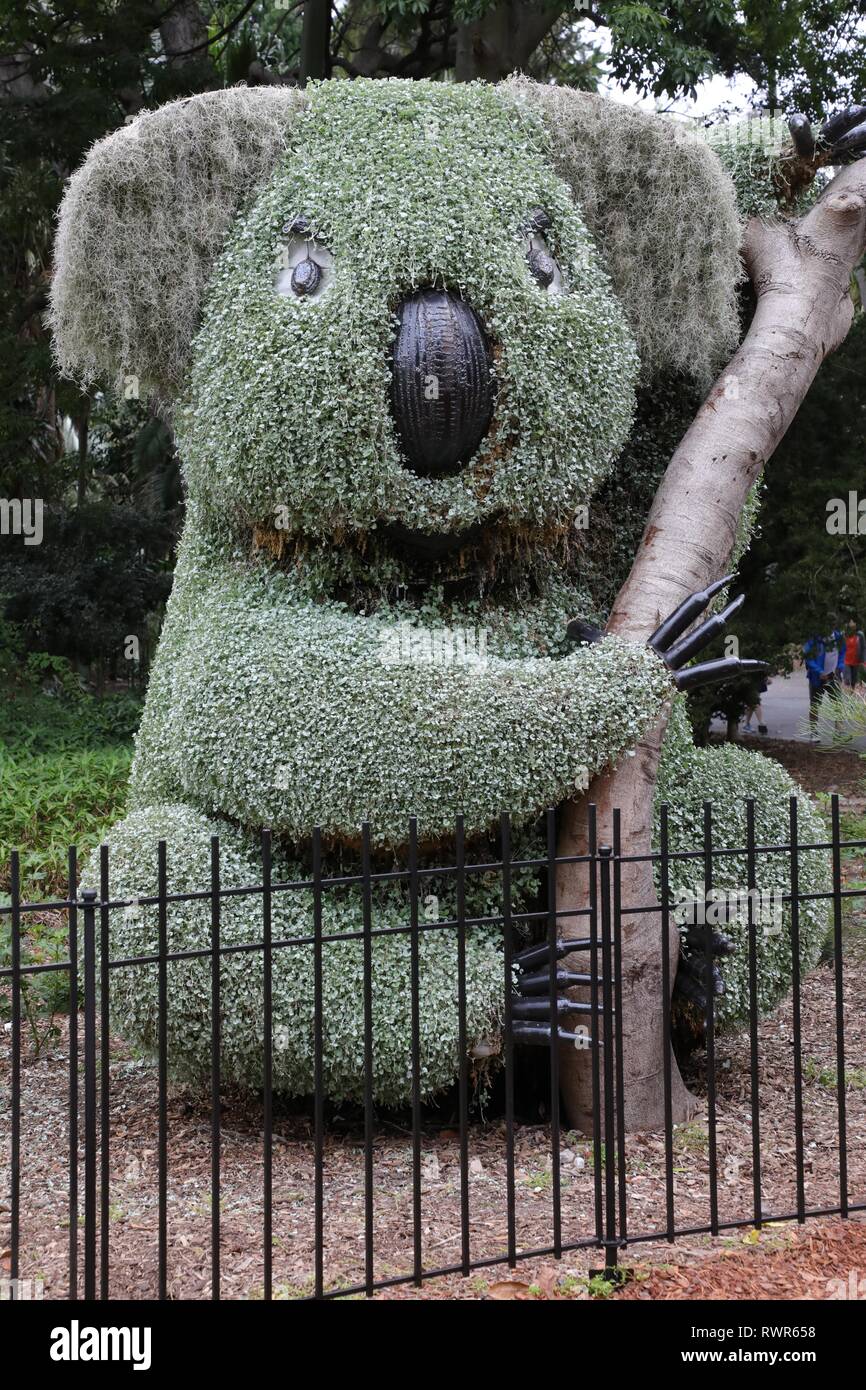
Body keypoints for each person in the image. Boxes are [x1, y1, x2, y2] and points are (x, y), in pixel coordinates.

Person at [843, 619, 866, 687]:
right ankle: (847, 694)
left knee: (854, 681)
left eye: (853, 622)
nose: (852, 624)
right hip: (846, 661)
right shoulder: (844, 634)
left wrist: (863, 661)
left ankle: (851, 695)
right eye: (850, 623)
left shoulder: (860, 635)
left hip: (856, 661)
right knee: (847, 680)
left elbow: (863, 648)